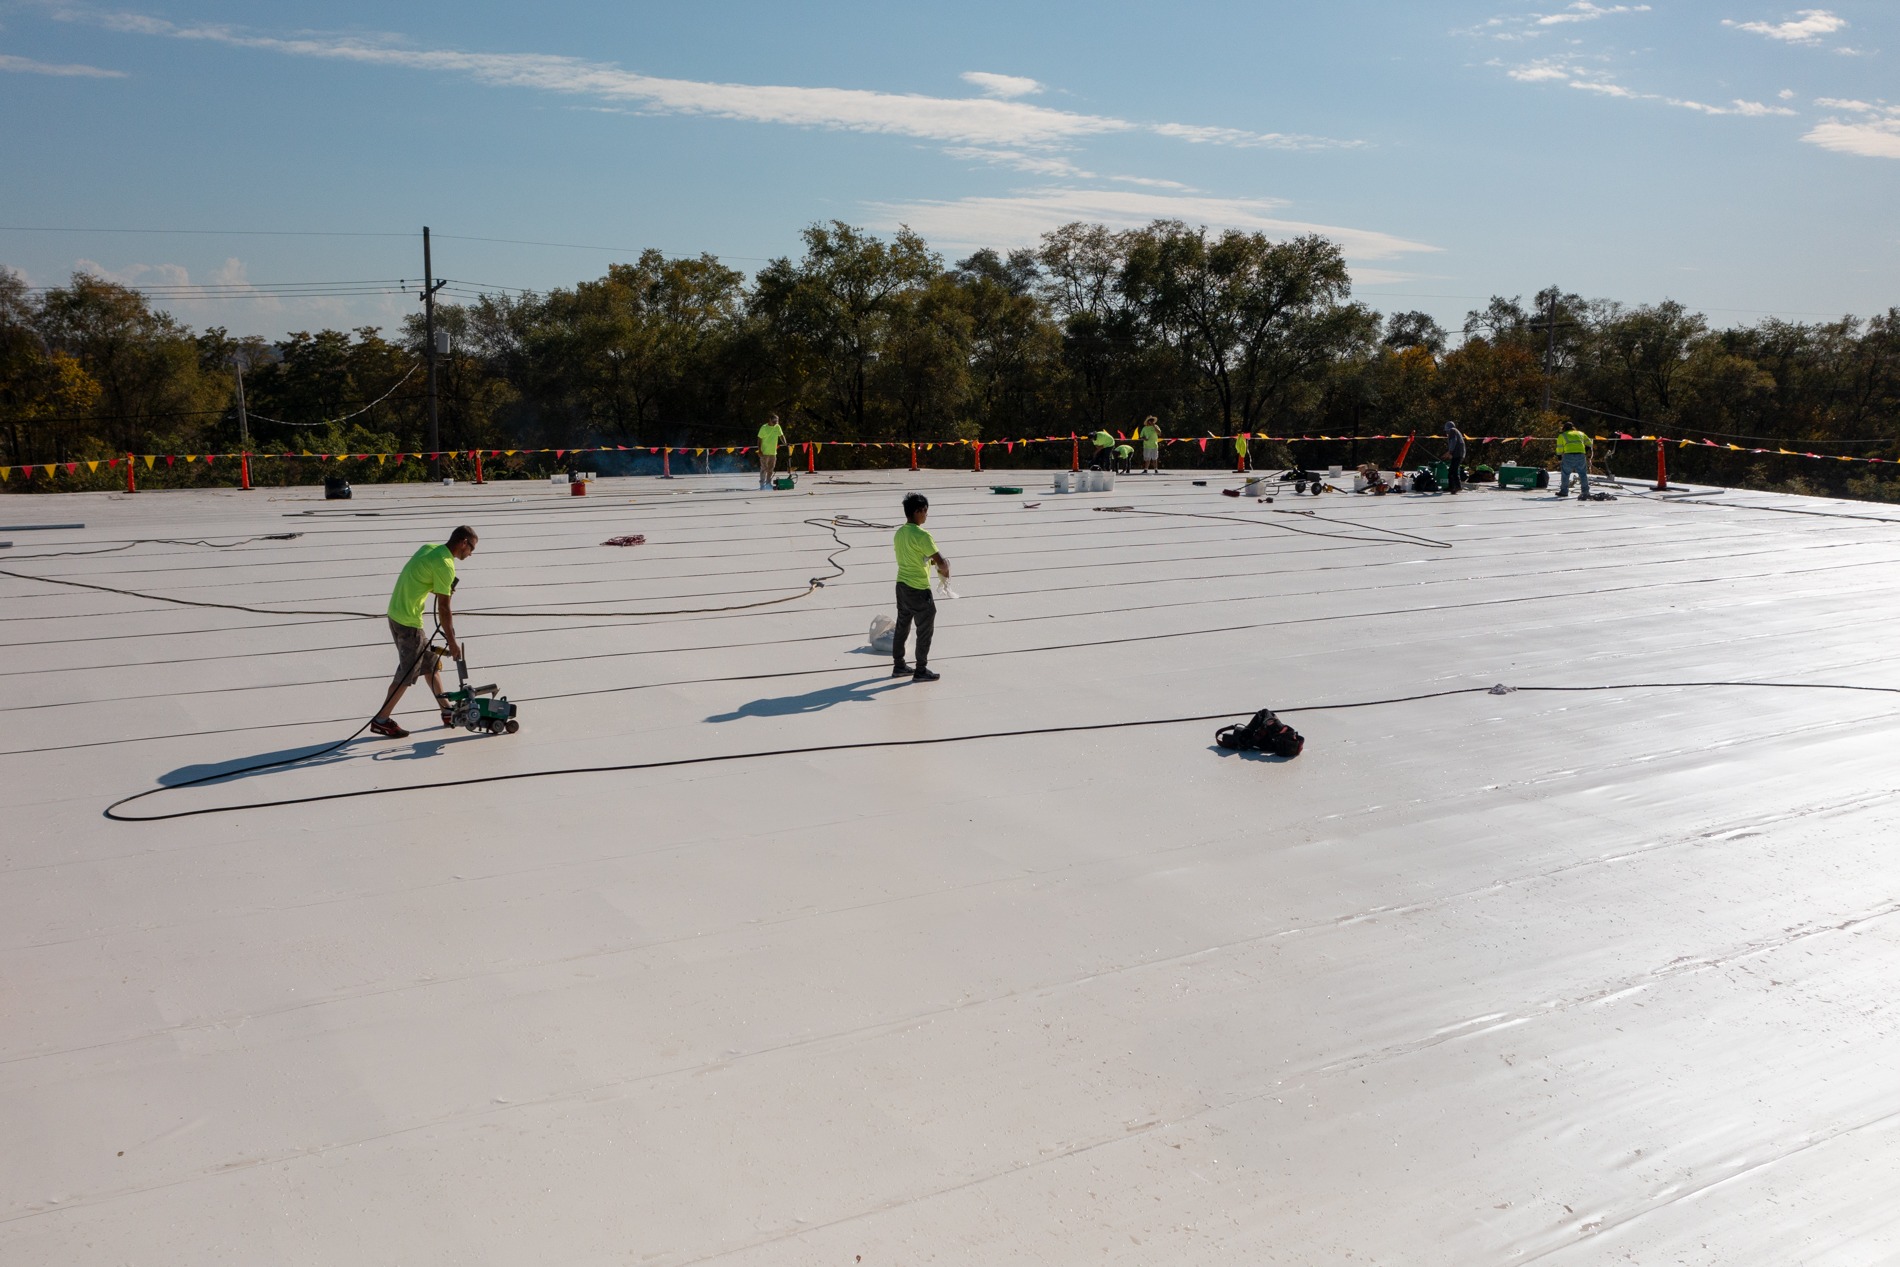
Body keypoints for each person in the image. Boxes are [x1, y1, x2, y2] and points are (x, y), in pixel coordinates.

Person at [370, 525, 477, 738]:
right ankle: (381, 720)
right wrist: (453, 643)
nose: (471, 554)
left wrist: (441, 586)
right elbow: (444, 608)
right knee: (406, 674)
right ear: (463, 542)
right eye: (471, 548)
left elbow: (419, 578)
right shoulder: (446, 565)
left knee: (429, 664)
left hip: (396, 613)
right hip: (409, 623)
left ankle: (447, 710)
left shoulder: (430, 548)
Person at [892, 492, 948, 683]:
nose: (926, 515)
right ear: (917, 512)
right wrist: (945, 570)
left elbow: (911, 557)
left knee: (902, 625)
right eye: (924, 511)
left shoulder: (899, 533)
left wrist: (929, 563)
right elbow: (941, 561)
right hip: (919, 589)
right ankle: (921, 670)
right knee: (924, 629)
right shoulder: (923, 535)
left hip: (901, 586)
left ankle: (899, 666)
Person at [1555, 424, 1593, 499]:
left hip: (1568, 456)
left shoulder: (1562, 435)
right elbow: (1589, 443)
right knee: (1583, 474)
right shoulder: (1580, 433)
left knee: (1565, 474)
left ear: (1564, 429)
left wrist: (1559, 456)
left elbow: (1559, 447)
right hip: (1581, 455)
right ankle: (1585, 492)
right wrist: (1585, 450)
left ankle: (1564, 491)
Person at [758, 413, 787, 489]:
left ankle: (768, 484)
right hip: (764, 452)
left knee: (770, 469)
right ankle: (762, 485)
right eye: (773, 422)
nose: (775, 423)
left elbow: (781, 435)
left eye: (776, 422)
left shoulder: (777, 427)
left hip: (773, 452)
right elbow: (759, 439)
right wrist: (759, 450)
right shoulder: (764, 428)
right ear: (769, 420)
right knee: (764, 468)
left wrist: (785, 443)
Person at [1442, 422, 1467, 494]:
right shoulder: (1456, 431)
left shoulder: (1452, 431)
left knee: (1454, 471)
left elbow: (1453, 442)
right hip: (1458, 454)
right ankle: (1451, 486)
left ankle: (1457, 486)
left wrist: (1450, 452)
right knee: (1451, 471)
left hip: (1458, 455)